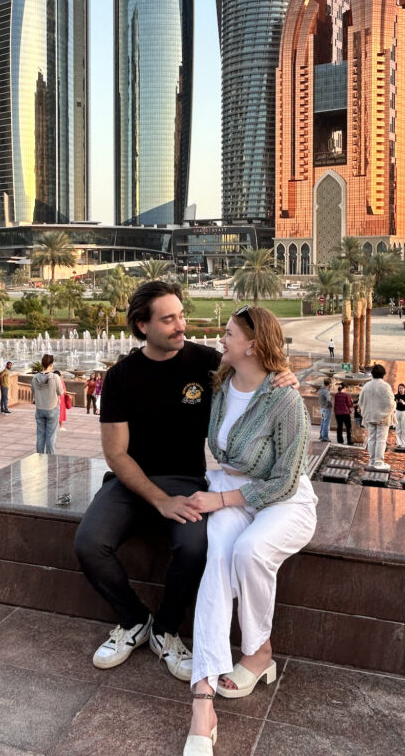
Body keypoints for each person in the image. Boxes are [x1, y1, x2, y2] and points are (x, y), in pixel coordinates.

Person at [73, 282, 298, 686]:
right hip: (129, 482)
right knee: (89, 543)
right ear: (143, 326)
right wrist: (160, 501)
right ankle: (133, 620)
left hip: (188, 479)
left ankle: (165, 630)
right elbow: (116, 454)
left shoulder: (206, 363)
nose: (182, 326)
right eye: (169, 319)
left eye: (181, 314)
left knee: (195, 547)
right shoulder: (120, 378)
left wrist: (285, 377)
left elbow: (257, 371)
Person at [184, 308, 317, 756]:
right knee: (218, 556)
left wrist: (221, 496)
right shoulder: (221, 384)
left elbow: (284, 478)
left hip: (284, 501)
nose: (220, 338)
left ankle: (259, 652)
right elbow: (221, 452)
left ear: (252, 345)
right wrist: (223, 489)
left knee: (249, 551)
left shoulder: (285, 400)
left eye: (229, 334)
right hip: (230, 492)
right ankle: (203, 703)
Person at [357, 364, 395, 471]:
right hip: (383, 418)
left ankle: (372, 460)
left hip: (370, 416)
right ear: (383, 374)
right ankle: (378, 462)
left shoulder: (366, 386)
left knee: (371, 438)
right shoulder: (385, 386)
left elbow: (361, 401)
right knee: (381, 439)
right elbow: (390, 403)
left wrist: (366, 412)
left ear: (372, 373)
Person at [31, 354, 64, 452]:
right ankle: (50, 458)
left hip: (40, 408)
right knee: (51, 436)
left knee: (40, 435)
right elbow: (61, 392)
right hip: (52, 408)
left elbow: (32, 391)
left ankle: (39, 457)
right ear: (51, 364)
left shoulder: (35, 377)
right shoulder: (55, 377)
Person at [393, 382, 405, 448]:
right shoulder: (396, 396)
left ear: (404, 389)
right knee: (398, 428)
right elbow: (393, 403)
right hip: (397, 412)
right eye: (399, 388)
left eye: (402, 388)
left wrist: (404, 403)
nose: (400, 389)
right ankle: (399, 442)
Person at [317, 377, 332, 441]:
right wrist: (329, 405)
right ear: (329, 384)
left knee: (323, 422)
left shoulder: (321, 390)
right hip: (326, 408)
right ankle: (325, 437)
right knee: (326, 423)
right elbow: (328, 400)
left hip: (322, 407)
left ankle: (321, 435)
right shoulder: (326, 391)